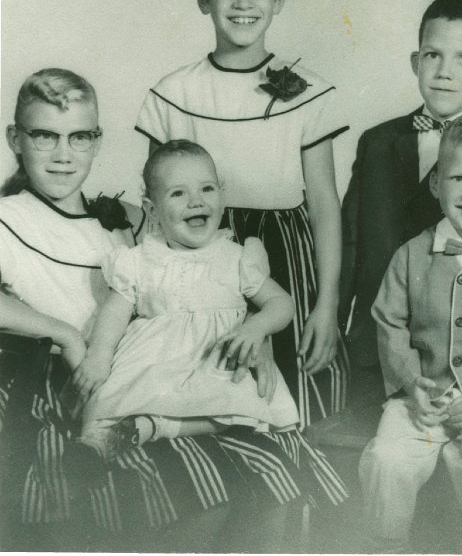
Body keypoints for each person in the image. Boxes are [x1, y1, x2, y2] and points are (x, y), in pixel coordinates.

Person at [0, 69, 348, 550]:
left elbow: (203, 280)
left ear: (97, 140)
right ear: (15, 139)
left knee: (272, 479)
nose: (64, 154)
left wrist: (258, 335)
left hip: (166, 375)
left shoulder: (128, 219)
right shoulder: (8, 215)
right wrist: (64, 332)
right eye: (45, 137)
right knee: (195, 496)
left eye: (80, 137)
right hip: (73, 383)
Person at [136, 0, 350, 428]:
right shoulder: (173, 94)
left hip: (287, 257)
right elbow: (157, 208)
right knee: (208, 395)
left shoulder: (307, 90)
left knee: (293, 405)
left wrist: (326, 303)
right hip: (199, 255)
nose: (243, 0)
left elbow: (323, 202)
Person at [359, 113, 462, 553]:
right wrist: (411, 385)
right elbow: (389, 321)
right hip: (422, 400)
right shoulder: (411, 254)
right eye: (458, 178)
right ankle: (386, 545)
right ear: (435, 183)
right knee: (386, 460)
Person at [73, 139, 300, 458]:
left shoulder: (238, 257)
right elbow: (114, 313)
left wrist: (257, 327)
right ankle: (99, 445)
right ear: (151, 209)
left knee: (237, 403)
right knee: (109, 400)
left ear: (222, 197)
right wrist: (98, 356)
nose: (196, 201)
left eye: (207, 189)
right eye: (178, 193)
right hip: (154, 362)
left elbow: (281, 303)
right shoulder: (138, 260)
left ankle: (152, 427)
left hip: (214, 361)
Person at [340, 0, 462, 372]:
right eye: (432, 55)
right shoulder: (376, 143)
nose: (444, 71)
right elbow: (350, 243)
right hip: (375, 346)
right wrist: (331, 321)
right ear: (416, 61)